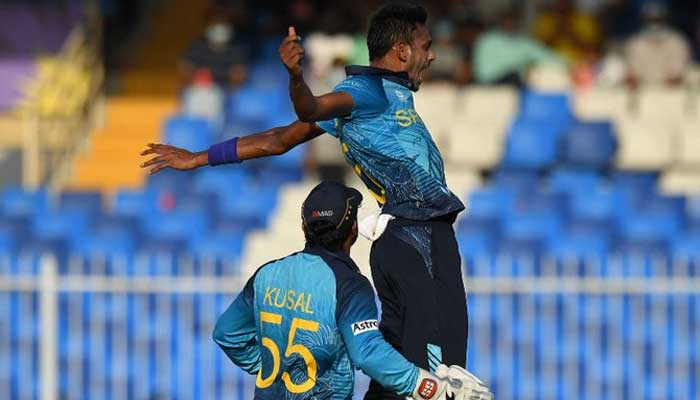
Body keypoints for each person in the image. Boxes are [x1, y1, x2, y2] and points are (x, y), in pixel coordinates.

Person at [140, 3, 486, 398]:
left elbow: (277, 140)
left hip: (413, 237)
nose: (433, 54)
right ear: (403, 51)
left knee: (409, 368)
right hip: (416, 235)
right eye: (426, 45)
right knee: (440, 376)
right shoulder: (363, 91)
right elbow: (309, 107)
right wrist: (295, 78)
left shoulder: (380, 95)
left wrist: (200, 157)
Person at [211, 181, 492, 399]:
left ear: (304, 226)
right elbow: (366, 352)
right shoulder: (349, 285)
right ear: (354, 229)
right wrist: (432, 387)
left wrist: (276, 369)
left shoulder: (267, 274)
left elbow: (227, 334)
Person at [472, 7, 562, 86]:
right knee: (515, 77)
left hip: (518, 82)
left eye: (514, 19)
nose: (510, 22)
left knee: (544, 77)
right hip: (491, 83)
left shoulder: (524, 42)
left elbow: (549, 58)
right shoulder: (487, 40)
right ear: (501, 20)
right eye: (508, 19)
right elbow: (483, 73)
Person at [623, 1, 691, 87]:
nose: (654, 24)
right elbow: (632, 74)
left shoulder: (677, 42)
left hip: (672, 93)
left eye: (658, 20)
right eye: (650, 20)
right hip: (642, 92)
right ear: (644, 20)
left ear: (665, 19)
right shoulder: (635, 43)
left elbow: (678, 74)